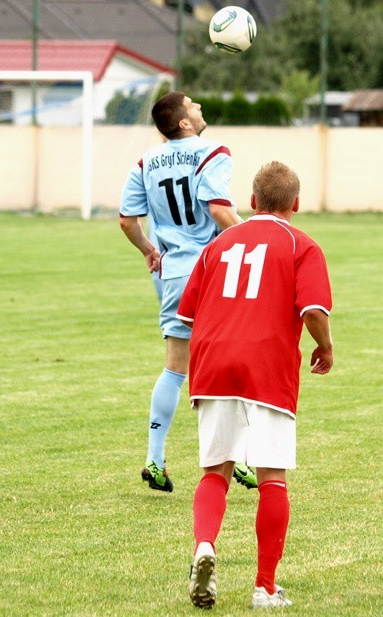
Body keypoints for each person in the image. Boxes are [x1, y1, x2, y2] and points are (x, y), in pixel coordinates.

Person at [178, 161, 334, 609]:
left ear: (251, 201)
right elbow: (313, 311)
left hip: (212, 364)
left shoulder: (220, 242)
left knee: (215, 471)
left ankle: (204, 546)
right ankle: (265, 587)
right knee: (271, 477)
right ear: (296, 204)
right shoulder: (301, 245)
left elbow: (187, 314)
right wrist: (325, 346)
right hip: (266, 366)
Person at [119, 91, 249, 493]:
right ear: (185, 124)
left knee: (176, 367)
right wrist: (259, 238)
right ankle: (238, 458)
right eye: (193, 105)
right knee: (232, 361)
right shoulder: (213, 152)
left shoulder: (145, 162)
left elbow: (127, 220)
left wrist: (150, 251)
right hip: (213, 270)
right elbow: (218, 210)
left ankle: (154, 460)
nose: (199, 108)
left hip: (175, 273)